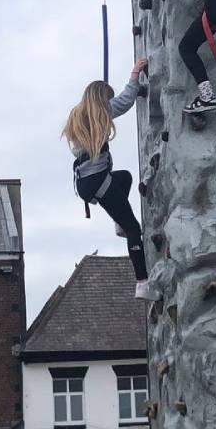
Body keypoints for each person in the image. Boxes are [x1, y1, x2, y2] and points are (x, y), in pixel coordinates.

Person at [64, 58, 158, 300]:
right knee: (134, 228)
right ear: (101, 99)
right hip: (98, 181)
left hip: (86, 183)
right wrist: (136, 74)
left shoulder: (77, 117)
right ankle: (142, 283)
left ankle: (118, 222)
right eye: (107, 100)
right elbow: (125, 100)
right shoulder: (98, 113)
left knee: (124, 177)